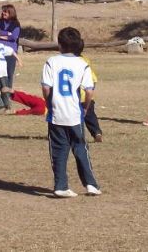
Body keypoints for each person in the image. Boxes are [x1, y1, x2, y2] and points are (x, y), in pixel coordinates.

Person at [41, 27, 101, 198]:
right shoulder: (83, 64)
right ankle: (91, 185)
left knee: (58, 150)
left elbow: (46, 87)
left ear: (59, 45)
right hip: (75, 113)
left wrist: (49, 102)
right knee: (80, 148)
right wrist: (86, 106)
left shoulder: (51, 61)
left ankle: (61, 185)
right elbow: (89, 90)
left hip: (56, 113)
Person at [0, 4, 21, 87]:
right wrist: (7, 34)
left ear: (11, 13)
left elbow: (14, 37)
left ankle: (8, 92)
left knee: (9, 72)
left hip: (10, 52)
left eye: (5, 11)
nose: (3, 13)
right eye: (3, 11)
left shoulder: (16, 24)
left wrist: (2, 35)